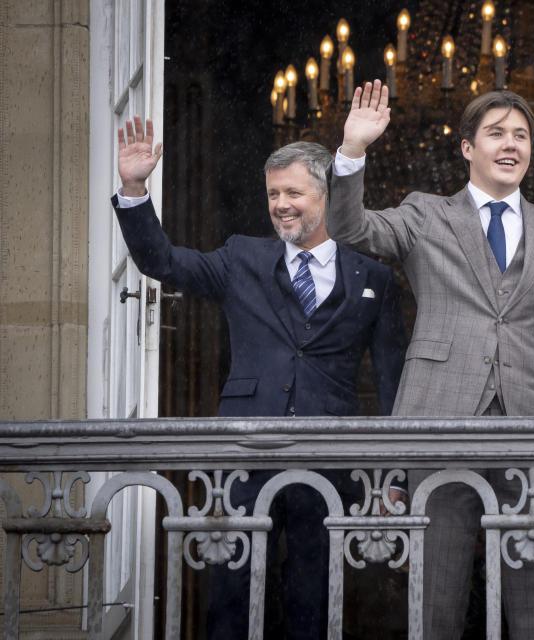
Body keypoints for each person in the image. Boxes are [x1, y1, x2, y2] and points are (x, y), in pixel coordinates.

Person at [112, 117, 406, 639]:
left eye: (293, 191)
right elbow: (162, 261)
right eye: (273, 193)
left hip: (329, 453)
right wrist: (135, 188)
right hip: (243, 450)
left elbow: (391, 380)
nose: (281, 204)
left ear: (326, 193)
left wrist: (392, 474)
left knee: (315, 588)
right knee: (232, 584)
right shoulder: (242, 256)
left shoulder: (373, 276)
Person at [325, 80, 534, 639]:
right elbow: (350, 229)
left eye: (521, 135)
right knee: (436, 599)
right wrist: (353, 151)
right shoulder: (425, 214)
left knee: (532, 603)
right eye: (496, 134)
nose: (510, 144)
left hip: (531, 431)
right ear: (467, 147)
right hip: (440, 421)